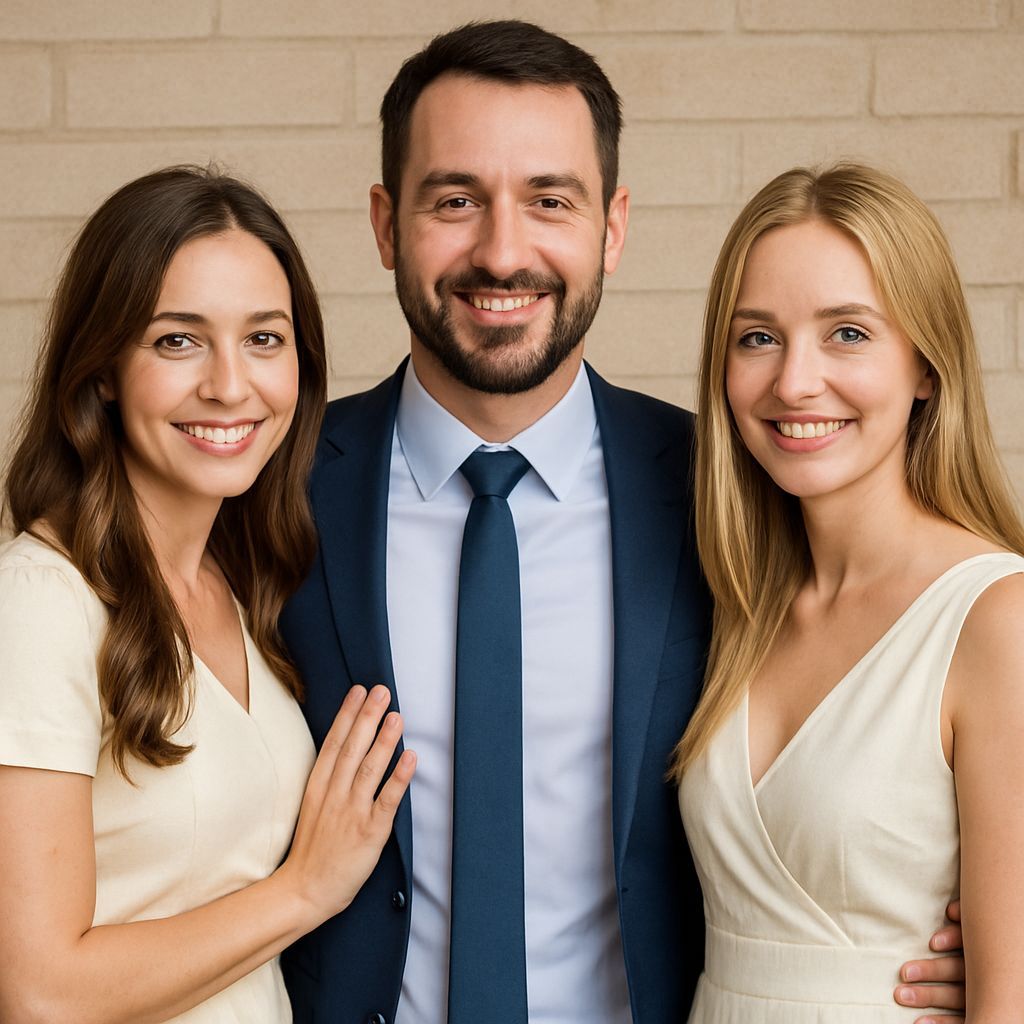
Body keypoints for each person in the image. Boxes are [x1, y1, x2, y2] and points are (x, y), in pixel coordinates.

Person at [278, 21, 966, 1024]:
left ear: (612, 225)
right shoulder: (268, 490)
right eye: (455, 200)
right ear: (387, 224)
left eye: (549, 200)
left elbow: (883, 721)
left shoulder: (737, 490)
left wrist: (930, 951)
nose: (503, 250)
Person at [0, 166, 415, 1023]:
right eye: (177, 340)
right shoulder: (41, 603)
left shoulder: (243, 583)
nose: (231, 385)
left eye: (264, 339)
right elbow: (37, 990)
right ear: (104, 368)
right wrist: (306, 889)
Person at [674, 162, 1024, 1021]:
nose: (794, 382)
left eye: (848, 334)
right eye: (758, 337)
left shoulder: (995, 620)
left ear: (927, 368)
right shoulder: (737, 606)